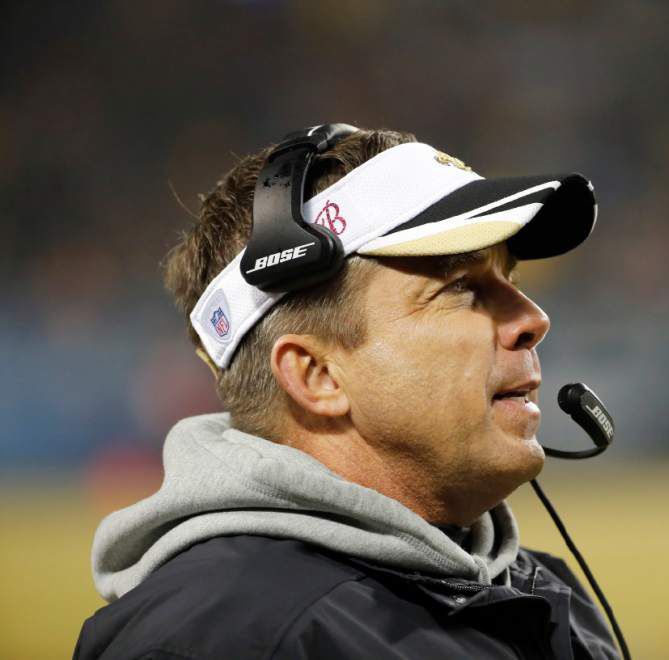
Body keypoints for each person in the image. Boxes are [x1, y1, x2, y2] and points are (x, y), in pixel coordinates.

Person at [73, 124, 620, 659]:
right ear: (317, 376)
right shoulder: (227, 638)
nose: (533, 318)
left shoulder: (543, 590)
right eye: (461, 287)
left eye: (512, 283)